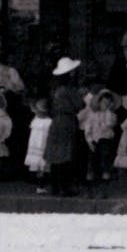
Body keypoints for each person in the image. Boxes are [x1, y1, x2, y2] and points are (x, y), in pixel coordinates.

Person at [45, 57, 85, 196]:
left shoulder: (56, 89)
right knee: (66, 155)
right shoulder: (69, 90)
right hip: (67, 122)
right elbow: (79, 105)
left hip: (56, 122)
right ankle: (65, 187)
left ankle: (55, 187)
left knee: (56, 156)